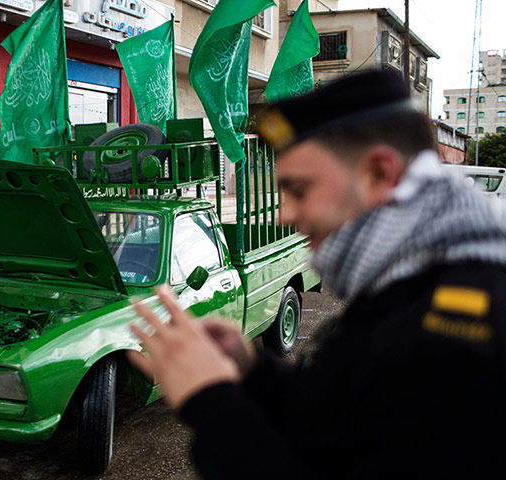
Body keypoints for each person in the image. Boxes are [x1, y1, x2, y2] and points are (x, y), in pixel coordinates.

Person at [128, 70, 506, 478]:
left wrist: (210, 400)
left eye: (300, 190)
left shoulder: (459, 334)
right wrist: (252, 370)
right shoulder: (415, 278)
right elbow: (341, 418)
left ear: (379, 174)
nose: (285, 214)